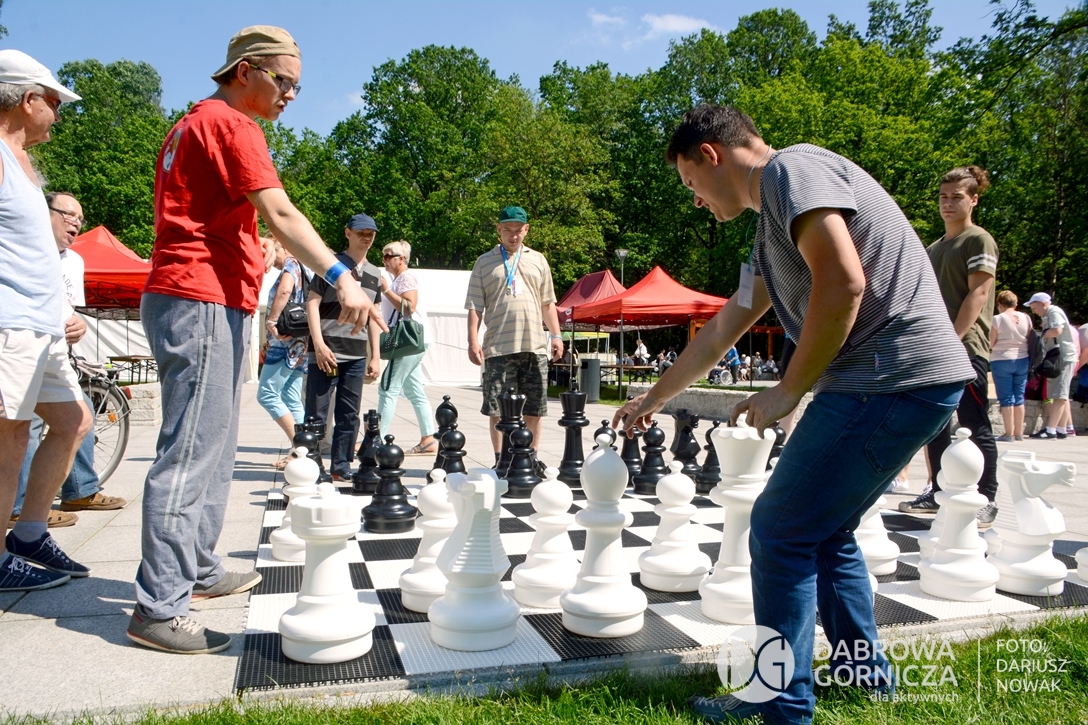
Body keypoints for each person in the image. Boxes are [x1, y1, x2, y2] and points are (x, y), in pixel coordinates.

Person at [614, 104, 973, 725]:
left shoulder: (791, 172)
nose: (694, 200)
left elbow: (843, 282)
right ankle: (864, 678)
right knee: (823, 531)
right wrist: (655, 397)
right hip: (906, 381)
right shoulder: (769, 228)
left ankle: (779, 704)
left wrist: (787, 391)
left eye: (691, 183)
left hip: (888, 379)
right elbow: (725, 327)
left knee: (779, 528)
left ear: (711, 155)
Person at [128, 26, 377, 655]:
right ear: (246, 71)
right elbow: (283, 212)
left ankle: (197, 566)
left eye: (298, 85)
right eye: (284, 81)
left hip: (205, 294)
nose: (291, 94)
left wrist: (251, 246)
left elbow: (213, 214)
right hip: (199, 296)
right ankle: (159, 605)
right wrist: (343, 277)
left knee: (212, 444)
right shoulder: (233, 124)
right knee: (190, 451)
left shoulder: (195, 122)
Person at [0, 50, 94, 593]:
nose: (58, 113)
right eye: (54, 102)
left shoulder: (24, 163)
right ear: (27, 99)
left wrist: (62, 310)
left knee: (75, 420)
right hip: (9, 324)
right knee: (8, 436)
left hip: (43, 326)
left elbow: (32, 254)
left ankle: (30, 534)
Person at [13, 191, 128, 524]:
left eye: (79, 218)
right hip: (25, 349)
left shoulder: (74, 262)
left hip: (56, 353)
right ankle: (19, 509)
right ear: (44, 212)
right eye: (67, 214)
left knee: (81, 414)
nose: (75, 222)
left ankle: (79, 490)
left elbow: (67, 309)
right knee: (26, 424)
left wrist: (77, 324)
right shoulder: (21, 249)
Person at [899, 166, 999, 527]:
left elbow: (979, 293)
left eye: (957, 197)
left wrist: (952, 339)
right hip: (934, 349)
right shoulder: (934, 247)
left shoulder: (978, 240)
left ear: (974, 200)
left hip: (966, 348)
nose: (948, 203)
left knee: (974, 423)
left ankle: (986, 498)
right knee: (935, 424)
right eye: (943, 197)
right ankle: (939, 491)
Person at [466, 206, 563, 464]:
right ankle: (501, 459)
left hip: (534, 345)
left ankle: (530, 458)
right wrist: (472, 340)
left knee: (535, 406)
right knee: (497, 408)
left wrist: (556, 335)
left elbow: (548, 303)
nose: (513, 235)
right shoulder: (484, 262)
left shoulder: (539, 260)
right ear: (498, 229)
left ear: (526, 230)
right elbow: (475, 305)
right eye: (507, 230)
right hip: (498, 346)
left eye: (518, 230)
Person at [305, 213, 384, 478]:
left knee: (349, 415)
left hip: (356, 354)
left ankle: (340, 466)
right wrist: (317, 343)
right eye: (361, 232)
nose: (367, 237)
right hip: (326, 351)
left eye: (371, 233)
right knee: (316, 414)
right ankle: (311, 465)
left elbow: (374, 316)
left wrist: (375, 356)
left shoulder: (375, 273)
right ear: (348, 233)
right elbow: (312, 302)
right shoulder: (331, 265)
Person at [376, 240, 436, 455]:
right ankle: (428, 438)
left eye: (388, 256)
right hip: (414, 340)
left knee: (387, 388)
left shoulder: (406, 278)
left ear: (401, 259)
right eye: (383, 256)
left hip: (407, 340)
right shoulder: (400, 279)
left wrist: (385, 290)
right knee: (414, 391)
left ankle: (376, 439)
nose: (384, 260)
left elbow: (409, 307)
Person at [256, 240, 308, 466]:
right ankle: (302, 452)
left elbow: (285, 289)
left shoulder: (291, 264)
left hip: (284, 342)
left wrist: (271, 321)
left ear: (284, 248)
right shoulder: (304, 268)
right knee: (291, 397)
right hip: (299, 342)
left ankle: (301, 446)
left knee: (267, 394)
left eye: (271, 250)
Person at [1026, 292, 1077, 439]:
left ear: (1043, 304)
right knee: (1058, 394)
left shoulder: (1054, 312)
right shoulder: (1049, 314)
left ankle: (1051, 430)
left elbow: (1057, 331)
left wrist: (1039, 335)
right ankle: (1061, 429)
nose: (1034, 311)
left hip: (1062, 358)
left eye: (1034, 307)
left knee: (1059, 395)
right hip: (1060, 357)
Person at [990, 290, 1031, 441]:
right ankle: (1019, 433)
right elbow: (1030, 337)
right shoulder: (1026, 317)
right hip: (1023, 358)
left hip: (1002, 359)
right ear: (1015, 304)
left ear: (1000, 304)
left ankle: (1009, 434)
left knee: (1006, 398)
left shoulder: (997, 319)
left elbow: (991, 342)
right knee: (1019, 396)